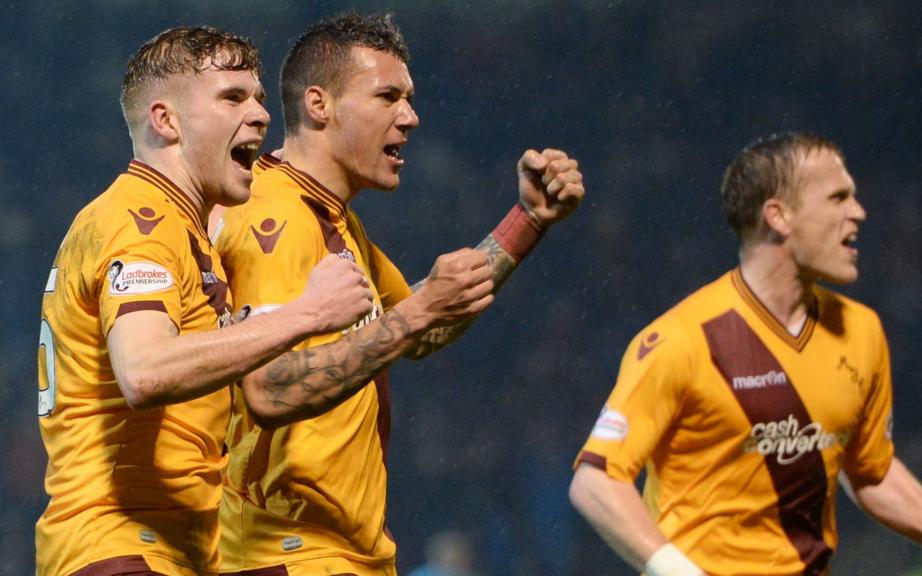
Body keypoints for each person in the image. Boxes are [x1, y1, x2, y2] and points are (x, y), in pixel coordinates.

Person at [211, 11, 584, 576]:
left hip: (343, 552)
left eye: (408, 98)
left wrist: (526, 221)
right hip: (287, 553)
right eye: (388, 96)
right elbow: (270, 390)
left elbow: (423, 322)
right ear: (320, 105)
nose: (409, 117)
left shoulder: (332, 220)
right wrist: (418, 313)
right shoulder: (273, 217)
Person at [568, 133, 922, 576]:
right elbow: (597, 482)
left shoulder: (862, 331)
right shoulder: (683, 338)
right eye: (838, 197)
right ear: (777, 216)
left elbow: (869, 471)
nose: (859, 212)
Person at [35, 27, 374, 576]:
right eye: (233, 97)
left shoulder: (182, 229)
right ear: (166, 121)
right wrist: (307, 314)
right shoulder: (139, 224)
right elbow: (144, 370)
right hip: (121, 546)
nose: (261, 114)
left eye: (260, 97)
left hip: (176, 548)